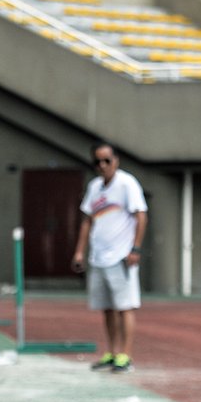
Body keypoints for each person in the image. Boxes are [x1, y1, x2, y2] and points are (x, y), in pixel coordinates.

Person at [72, 142, 148, 373]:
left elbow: (141, 216)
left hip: (121, 257)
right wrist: (79, 251)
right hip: (98, 257)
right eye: (98, 161)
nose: (102, 165)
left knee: (125, 307)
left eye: (107, 160)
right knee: (107, 308)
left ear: (116, 161)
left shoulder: (127, 184)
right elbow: (87, 220)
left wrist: (135, 249)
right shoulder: (95, 187)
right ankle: (112, 352)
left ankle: (126, 355)